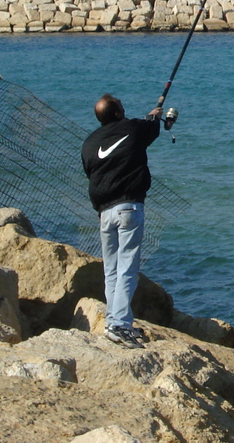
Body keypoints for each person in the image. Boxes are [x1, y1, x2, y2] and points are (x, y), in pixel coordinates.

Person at [81, 93, 161, 349]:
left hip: (104, 213)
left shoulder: (89, 143)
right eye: (121, 106)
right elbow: (150, 128)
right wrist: (156, 114)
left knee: (111, 271)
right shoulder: (132, 128)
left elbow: (89, 171)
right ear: (117, 113)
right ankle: (120, 326)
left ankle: (113, 321)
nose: (124, 108)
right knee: (127, 268)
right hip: (129, 208)